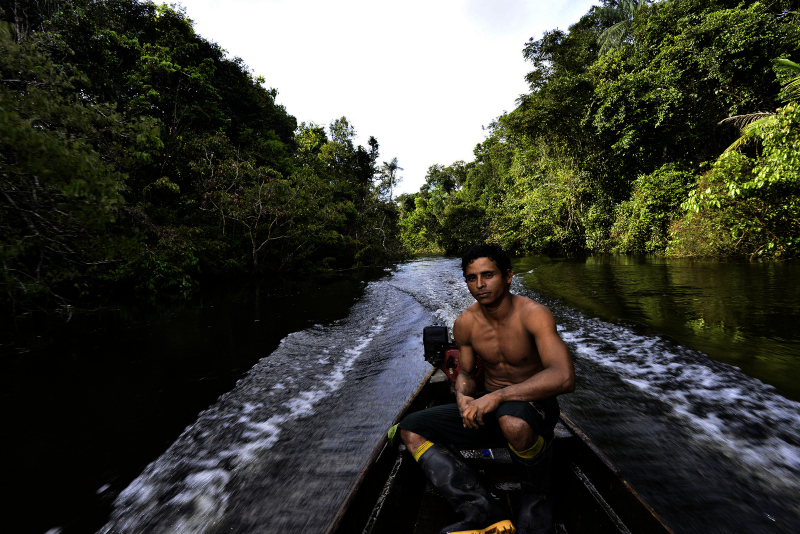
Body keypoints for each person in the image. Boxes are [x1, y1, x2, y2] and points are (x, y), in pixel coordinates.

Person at [398, 243, 575, 534]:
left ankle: (536, 497)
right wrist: (464, 395)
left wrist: (496, 397)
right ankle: (480, 508)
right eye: (471, 278)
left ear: (508, 276)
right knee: (410, 428)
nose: (479, 285)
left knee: (512, 421)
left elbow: (564, 377)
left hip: (533, 409)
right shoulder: (465, 323)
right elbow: (466, 372)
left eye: (488, 275)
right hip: (489, 409)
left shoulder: (534, 315)